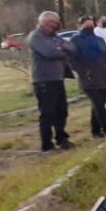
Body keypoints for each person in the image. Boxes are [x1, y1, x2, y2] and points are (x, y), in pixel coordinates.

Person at [29, 11, 76, 151]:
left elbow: (72, 48)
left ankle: (61, 138)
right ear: (46, 23)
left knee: (62, 111)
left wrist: (61, 48)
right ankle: (47, 144)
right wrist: (62, 50)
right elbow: (49, 53)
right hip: (44, 80)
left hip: (57, 78)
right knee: (48, 113)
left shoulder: (54, 36)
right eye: (54, 23)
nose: (57, 26)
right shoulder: (36, 37)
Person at [68, 16, 106, 139]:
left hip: (102, 76)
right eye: (85, 22)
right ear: (80, 25)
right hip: (88, 78)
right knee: (98, 104)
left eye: (91, 22)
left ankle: (96, 131)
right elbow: (71, 60)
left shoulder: (99, 39)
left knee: (98, 105)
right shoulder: (75, 40)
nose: (89, 24)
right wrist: (84, 72)